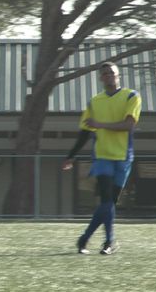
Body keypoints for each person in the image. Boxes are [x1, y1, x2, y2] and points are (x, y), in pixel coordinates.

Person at [60, 62, 141, 255]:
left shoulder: (132, 96)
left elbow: (128, 125)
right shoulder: (94, 102)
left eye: (112, 73)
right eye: (105, 73)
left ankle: (85, 238)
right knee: (106, 199)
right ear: (100, 78)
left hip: (123, 156)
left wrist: (100, 124)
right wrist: (70, 156)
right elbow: (85, 132)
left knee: (109, 203)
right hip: (102, 156)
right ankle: (109, 241)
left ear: (118, 75)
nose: (109, 76)